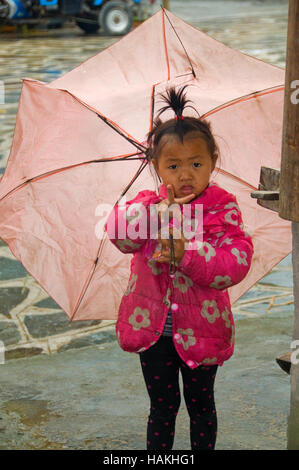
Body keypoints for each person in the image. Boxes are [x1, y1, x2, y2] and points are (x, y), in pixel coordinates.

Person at [106, 85, 254, 450]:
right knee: (162, 406)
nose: (185, 174)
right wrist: (153, 214)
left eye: (196, 163)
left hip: (203, 329)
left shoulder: (222, 209)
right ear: (156, 167)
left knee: (201, 406)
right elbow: (118, 235)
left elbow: (233, 265)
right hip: (152, 329)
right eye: (173, 166)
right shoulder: (147, 204)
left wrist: (187, 254)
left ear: (212, 162)